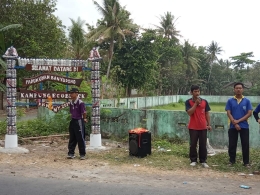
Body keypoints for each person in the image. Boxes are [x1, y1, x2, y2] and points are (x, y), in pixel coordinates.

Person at [225, 82, 252, 167]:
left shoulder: (247, 101)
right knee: (232, 144)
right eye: (237, 88)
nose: (238, 90)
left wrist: (238, 121)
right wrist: (234, 122)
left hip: (244, 126)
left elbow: (249, 113)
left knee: (245, 144)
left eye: (240, 88)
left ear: (243, 89)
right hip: (232, 126)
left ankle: (246, 162)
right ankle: (231, 161)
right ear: (234, 89)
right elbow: (228, 113)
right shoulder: (230, 100)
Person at [185, 85, 212, 168]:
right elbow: (189, 113)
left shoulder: (204, 102)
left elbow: (207, 113)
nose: (197, 93)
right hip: (193, 127)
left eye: (198, 91)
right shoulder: (188, 102)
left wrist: (209, 124)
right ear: (192, 92)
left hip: (203, 126)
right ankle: (193, 160)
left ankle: (203, 160)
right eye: (195, 91)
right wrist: (195, 104)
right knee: (193, 144)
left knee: (203, 144)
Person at [67, 88, 87, 160]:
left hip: (79, 121)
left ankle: (82, 154)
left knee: (80, 138)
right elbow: (71, 112)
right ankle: (71, 153)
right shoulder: (71, 102)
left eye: (72, 93)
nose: (71, 94)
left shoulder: (80, 103)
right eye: (70, 93)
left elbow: (84, 112)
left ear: (76, 94)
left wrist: (84, 119)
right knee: (72, 137)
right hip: (73, 120)